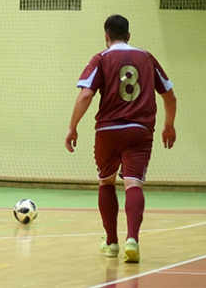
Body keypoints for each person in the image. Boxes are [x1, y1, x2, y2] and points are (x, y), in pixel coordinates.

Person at [64, 14, 177, 263]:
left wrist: (72, 127)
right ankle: (132, 239)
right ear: (129, 35)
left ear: (106, 37)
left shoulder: (101, 58)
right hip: (140, 130)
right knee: (133, 184)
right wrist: (169, 126)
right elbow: (170, 96)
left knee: (106, 182)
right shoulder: (147, 58)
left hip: (108, 131)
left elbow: (85, 96)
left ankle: (112, 243)